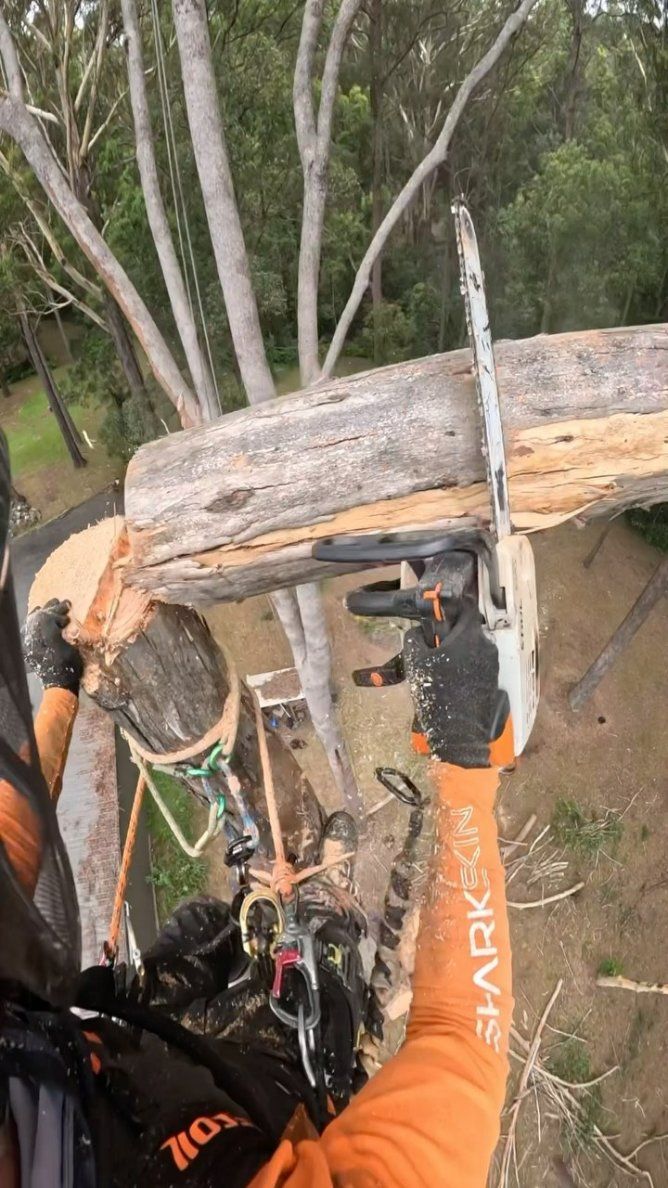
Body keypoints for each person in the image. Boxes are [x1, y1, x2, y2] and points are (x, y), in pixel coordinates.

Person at [0, 431, 512, 1187]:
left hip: (122, 1039)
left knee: (202, 928)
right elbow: (462, 1042)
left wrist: (60, 690)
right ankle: (321, 939)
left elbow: (13, 850)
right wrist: (466, 759)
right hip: (262, 1100)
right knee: (322, 969)